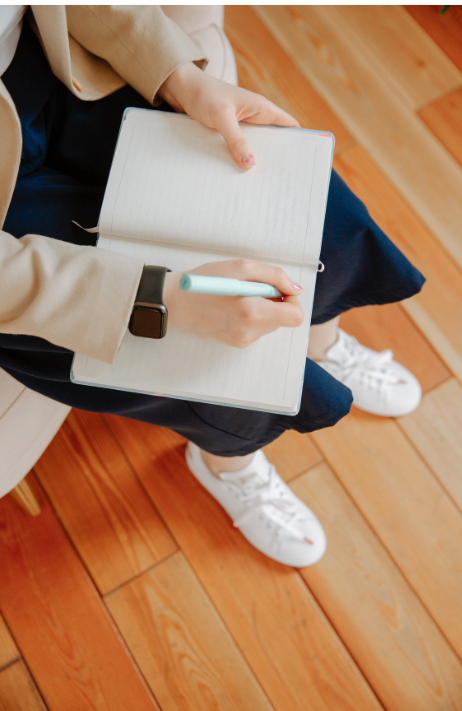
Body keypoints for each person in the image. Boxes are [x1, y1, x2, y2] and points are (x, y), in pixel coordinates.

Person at [0, 6, 424, 567]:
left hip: (56, 65)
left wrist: (180, 75)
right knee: (209, 365)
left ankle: (319, 337)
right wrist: (153, 299)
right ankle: (229, 463)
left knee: (302, 208)